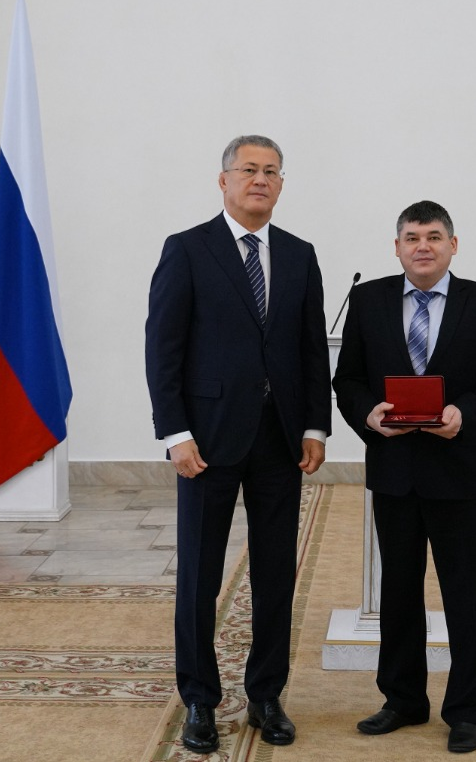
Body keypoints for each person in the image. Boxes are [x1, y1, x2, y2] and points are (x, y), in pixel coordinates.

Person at [144, 135, 330, 754]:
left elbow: (311, 349)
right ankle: (199, 698)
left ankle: (266, 695)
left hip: (280, 440)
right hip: (207, 441)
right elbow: (163, 348)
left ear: (281, 184)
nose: (260, 180)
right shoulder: (187, 249)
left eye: (271, 171)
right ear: (223, 180)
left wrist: (315, 426)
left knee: (276, 573)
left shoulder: (300, 255)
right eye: (248, 169)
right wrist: (175, 433)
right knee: (200, 574)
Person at [332, 200, 476, 754]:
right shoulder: (367, 301)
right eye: (412, 237)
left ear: (452, 245)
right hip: (393, 471)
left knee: (464, 594)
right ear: (396, 247)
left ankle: (467, 711)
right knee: (397, 591)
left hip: (457, 471)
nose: (423, 246)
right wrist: (367, 415)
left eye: (434, 236)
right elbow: (348, 381)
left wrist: (465, 413)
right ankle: (402, 700)